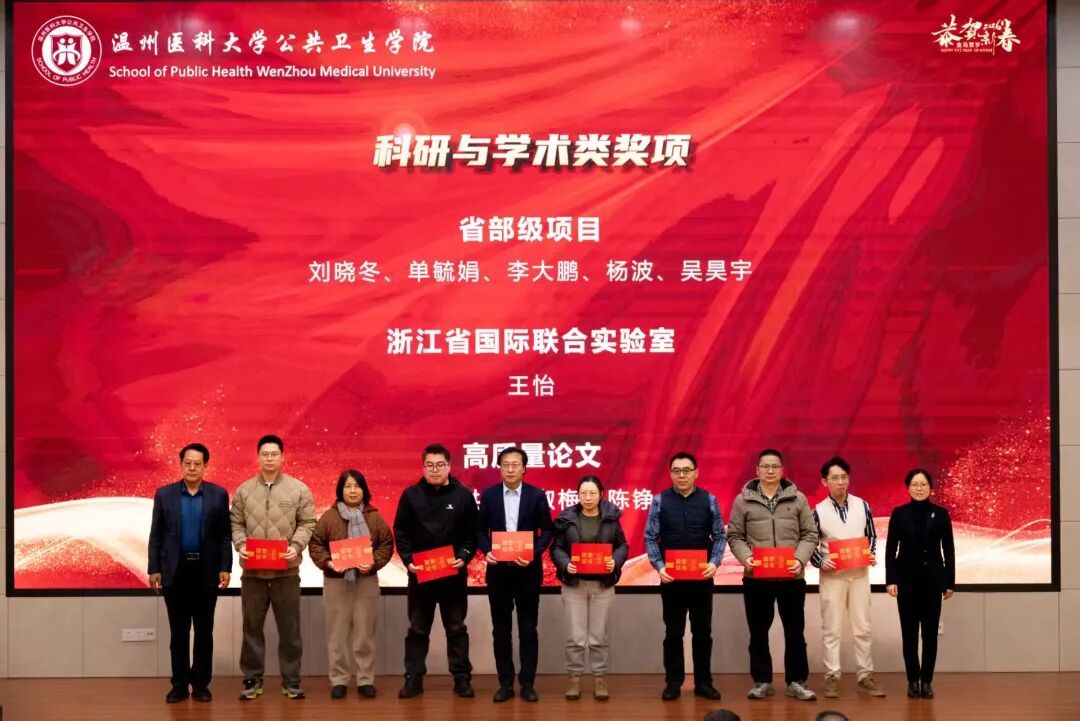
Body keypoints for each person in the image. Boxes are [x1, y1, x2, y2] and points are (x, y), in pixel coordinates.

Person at [727, 449, 818, 702]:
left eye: (775, 466)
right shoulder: (742, 501)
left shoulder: (798, 499)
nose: (770, 471)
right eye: (765, 466)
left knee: (795, 632)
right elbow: (734, 536)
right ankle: (762, 681)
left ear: (782, 470)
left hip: (791, 578)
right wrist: (746, 557)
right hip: (756, 579)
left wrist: (800, 560)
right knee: (758, 632)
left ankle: (796, 682)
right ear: (757, 470)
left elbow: (810, 534)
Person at [231, 434, 317, 701]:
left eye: (274, 454)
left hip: (286, 573)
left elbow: (308, 523)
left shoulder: (298, 489)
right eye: (264, 454)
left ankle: (291, 682)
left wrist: (297, 545)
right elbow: (236, 523)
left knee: (290, 631)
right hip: (253, 574)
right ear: (258, 457)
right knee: (251, 629)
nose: (269, 458)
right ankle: (252, 680)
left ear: (282, 457)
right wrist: (240, 544)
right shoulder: (244, 490)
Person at [393, 443, 479, 700]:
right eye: (429, 465)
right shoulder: (411, 495)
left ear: (449, 466)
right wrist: (408, 560)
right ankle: (413, 678)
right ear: (423, 467)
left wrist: (464, 556)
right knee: (417, 629)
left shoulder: (463, 495)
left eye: (440, 465)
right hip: (421, 575)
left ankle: (462, 679)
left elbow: (472, 534)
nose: (435, 470)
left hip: (453, 575)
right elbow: (401, 532)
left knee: (456, 628)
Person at [148, 443, 232, 703]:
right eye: (187, 463)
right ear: (181, 464)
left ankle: (201, 685)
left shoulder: (218, 495)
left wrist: (225, 567)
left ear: (206, 466)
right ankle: (179, 685)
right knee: (179, 632)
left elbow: (224, 536)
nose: (192, 468)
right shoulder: (164, 495)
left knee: (204, 632)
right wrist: (154, 568)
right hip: (175, 572)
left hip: (206, 572)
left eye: (197, 463)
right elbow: (156, 535)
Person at [644, 452, 727, 701]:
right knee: (673, 633)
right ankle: (673, 683)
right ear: (671, 474)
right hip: (671, 580)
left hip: (702, 578)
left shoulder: (709, 500)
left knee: (703, 633)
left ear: (696, 473)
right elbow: (650, 537)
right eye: (677, 471)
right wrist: (659, 566)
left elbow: (719, 536)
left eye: (687, 470)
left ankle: (703, 683)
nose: (682, 475)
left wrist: (714, 562)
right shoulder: (659, 501)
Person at [476, 446, 555, 702]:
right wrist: (487, 551)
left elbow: (548, 531)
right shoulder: (489, 496)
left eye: (515, 465)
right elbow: (479, 531)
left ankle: (527, 684)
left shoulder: (536, 495)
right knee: (501, 631)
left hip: (527, 573)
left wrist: (533, 553)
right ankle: (505, 684)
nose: (510, 469)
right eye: (505, 465)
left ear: (524, 469)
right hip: (498, 573)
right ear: (499, 468)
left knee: (528, 630)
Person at [308, 470, 394, 699]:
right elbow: (316, 544)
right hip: (336, 582)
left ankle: (365, 679)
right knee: (337, 634)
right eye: (348, 486)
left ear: (364, 490)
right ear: (340, 490)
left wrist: (373, 563)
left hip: (366, 581)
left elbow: (386, 544)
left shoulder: (374, 517)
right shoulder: (329, 517)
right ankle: (339, 680)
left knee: (364, 633)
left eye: (357, 486)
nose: (353, 491)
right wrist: (328, 563)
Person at [810, 456, 886, 698]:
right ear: (824, 481)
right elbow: (810, 543)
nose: (840, 482)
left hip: (859, 574)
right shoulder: (817, 511)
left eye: (844, 477)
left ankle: (865, 675)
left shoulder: (862, 505)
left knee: (862, 627)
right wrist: (821, 561)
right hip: (832, 577)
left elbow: (871, 535)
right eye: (835, 478)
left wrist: (870, 554)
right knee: (831, 629)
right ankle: (832, 677)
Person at [550, 475, 629, 701]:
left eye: (592, 493)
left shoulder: (611, 517)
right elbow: (556, 548)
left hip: (602, 585)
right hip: (574, 585)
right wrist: (565, 563)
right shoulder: (567, 518)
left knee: (598, 636)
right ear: (577, 495)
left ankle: (599, 679)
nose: (587, 497)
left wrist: (615, 560)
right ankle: (574, 679)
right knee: (575, 637)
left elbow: (622, 545)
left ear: (601, 494)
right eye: (583, 493)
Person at [885, 468, 956, 700]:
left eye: (923, 484)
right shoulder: (899, 514)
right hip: (906, 581)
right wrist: (891, 579)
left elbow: (949, 550)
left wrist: (949, 582)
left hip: (932, 582)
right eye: (915, 484)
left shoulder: (941, 514)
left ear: (930, 488)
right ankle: (912, 681)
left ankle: (926, 681)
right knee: (909, 634)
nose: (919, 488)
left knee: (930, 635)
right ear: (908, 488)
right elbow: (891, 549)